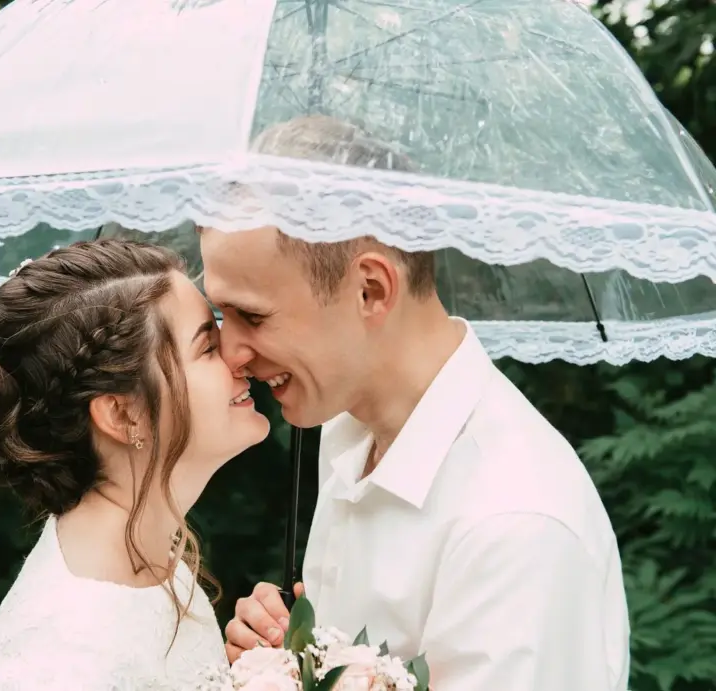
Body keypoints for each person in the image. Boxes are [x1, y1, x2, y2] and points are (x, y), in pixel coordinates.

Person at [201, 115, 631, 690]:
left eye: (252, 316)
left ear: (370, 290)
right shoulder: (347, 433)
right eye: (223, 315)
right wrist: (283, 660)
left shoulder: (514, 527)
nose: (230, 352)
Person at [0, 239, 270, 690]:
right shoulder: (60, 659)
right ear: (122, 414)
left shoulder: (157, 567)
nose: (240, 357)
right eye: (208, 347)